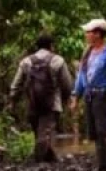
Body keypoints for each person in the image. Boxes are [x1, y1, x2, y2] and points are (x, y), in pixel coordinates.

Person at [69, 18, 106, 171]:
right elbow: (82, 77)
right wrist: (76, 96)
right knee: (95, 132)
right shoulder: (88, 53)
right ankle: (102, 165)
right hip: (90, 95)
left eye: (88, 32)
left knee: (105, 130)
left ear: (98, 34)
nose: (86, 35)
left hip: (104, 95)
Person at [8, 33, 74, 162]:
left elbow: (16, 84)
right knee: (44, 134)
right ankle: (38, 163)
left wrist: (12, 100)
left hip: (33, 103)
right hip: (52, 104)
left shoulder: (26, 61)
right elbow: (67, 85)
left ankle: (50, 159)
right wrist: (68, 99)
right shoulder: (58, 60)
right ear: (51, 46)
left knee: (39, 133)